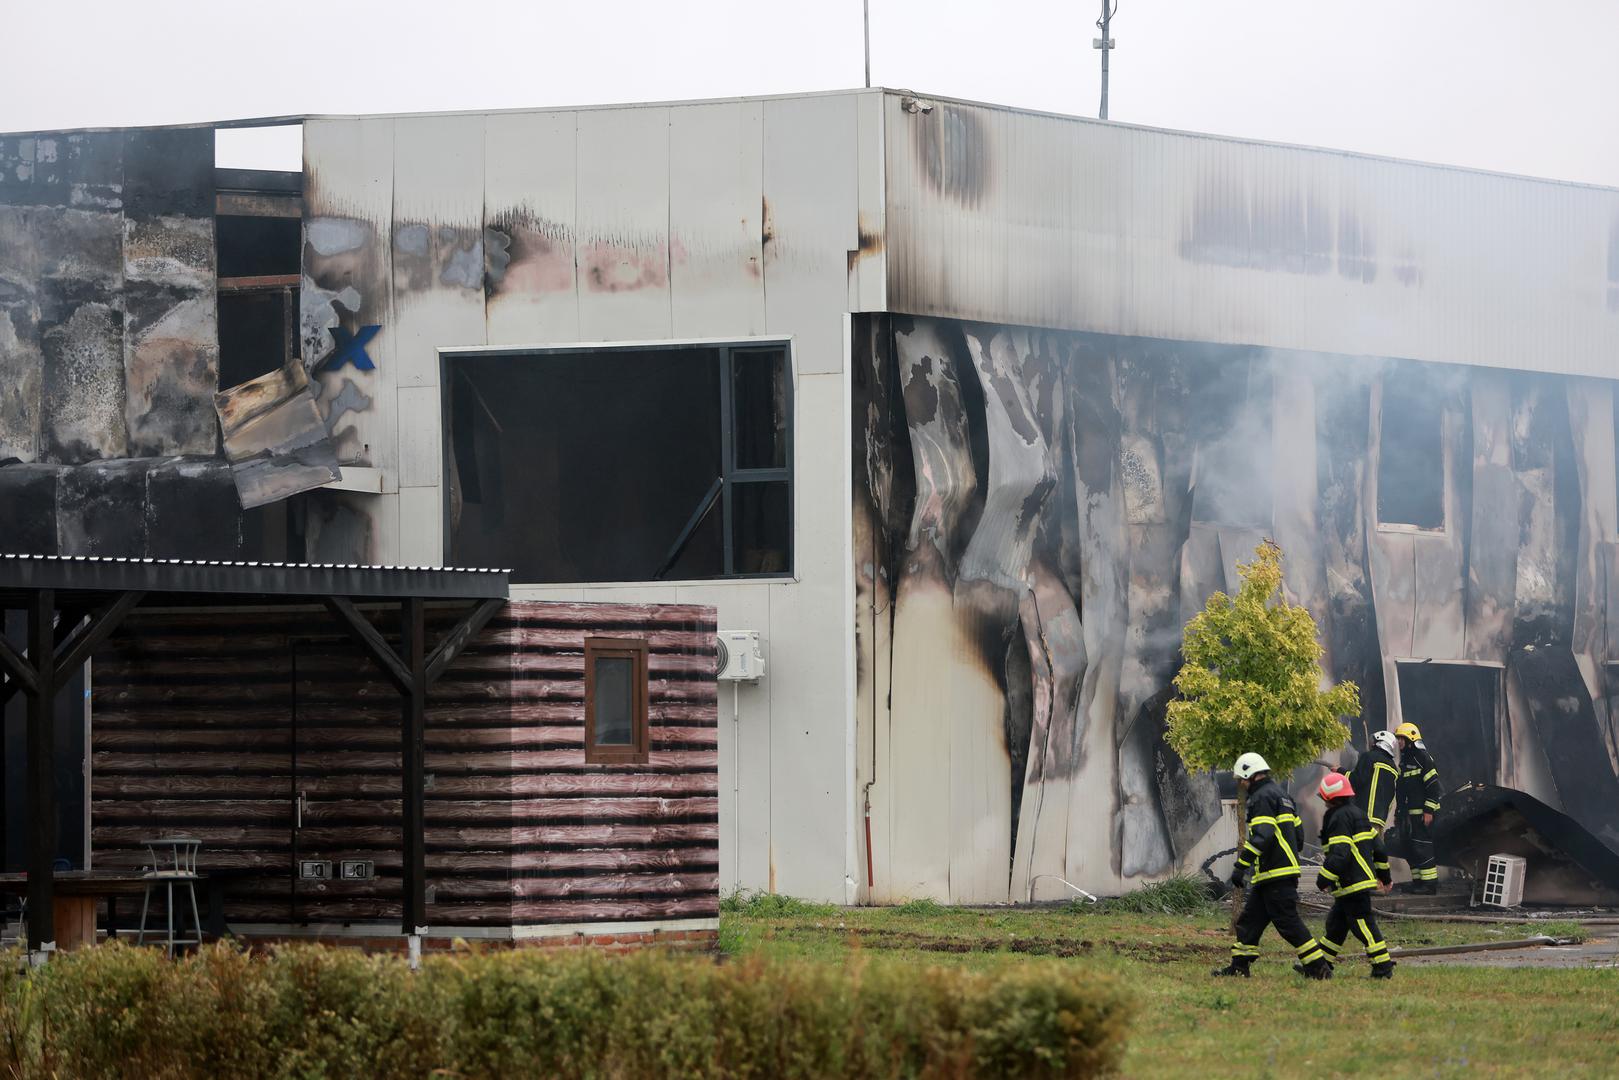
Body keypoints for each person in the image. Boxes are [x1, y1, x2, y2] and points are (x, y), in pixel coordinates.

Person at [1212, 752, 1333, 980]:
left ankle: (1318, 967)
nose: (1240, 784)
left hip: (1275, 872)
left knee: (1288, 922)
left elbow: (1263, 835)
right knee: (1250, 921)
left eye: (1241, 779)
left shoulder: (1261, 798)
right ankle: (1239, 967)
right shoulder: (1282, 796)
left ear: (1250, 774)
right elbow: (1298, 836)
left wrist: (1241, 865)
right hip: (1273, 873)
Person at [1312, 771, 1396, 979]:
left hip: (1351, 882)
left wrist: (1324, 878)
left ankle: (1383, 967)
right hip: (1354, 882)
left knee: (1363, 926)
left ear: (1329, 797)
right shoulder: (1358, 814)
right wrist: (1385, 877)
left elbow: (1340, 853)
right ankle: (1320, 966)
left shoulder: (1337, 817)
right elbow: (1379, 849)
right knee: (1336, 926)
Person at [1394, 721, 1443, 894]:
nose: (1399, 742)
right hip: (1408, 815)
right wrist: (1399, 812)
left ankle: (1429, 885)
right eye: (1398, 739)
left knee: (1422, 847)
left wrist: (1428, 811)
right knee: (1409, 847)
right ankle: (1418, 882)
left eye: (1402, 739)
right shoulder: (1404, 762)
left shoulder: (1423, 758)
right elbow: (1400, 790)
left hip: (1423, 814)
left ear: (1411, 739)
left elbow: (1433, 787)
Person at [1349, 729, 1398, 833]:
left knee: (1360, 847)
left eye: (1374, 741)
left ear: (1380, 742)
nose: (1371, 744)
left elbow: (1357, 780)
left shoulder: (1369, 757)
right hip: (1380, 820)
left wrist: (1341, 771)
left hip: (1363, 817)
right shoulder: (1393, 768)